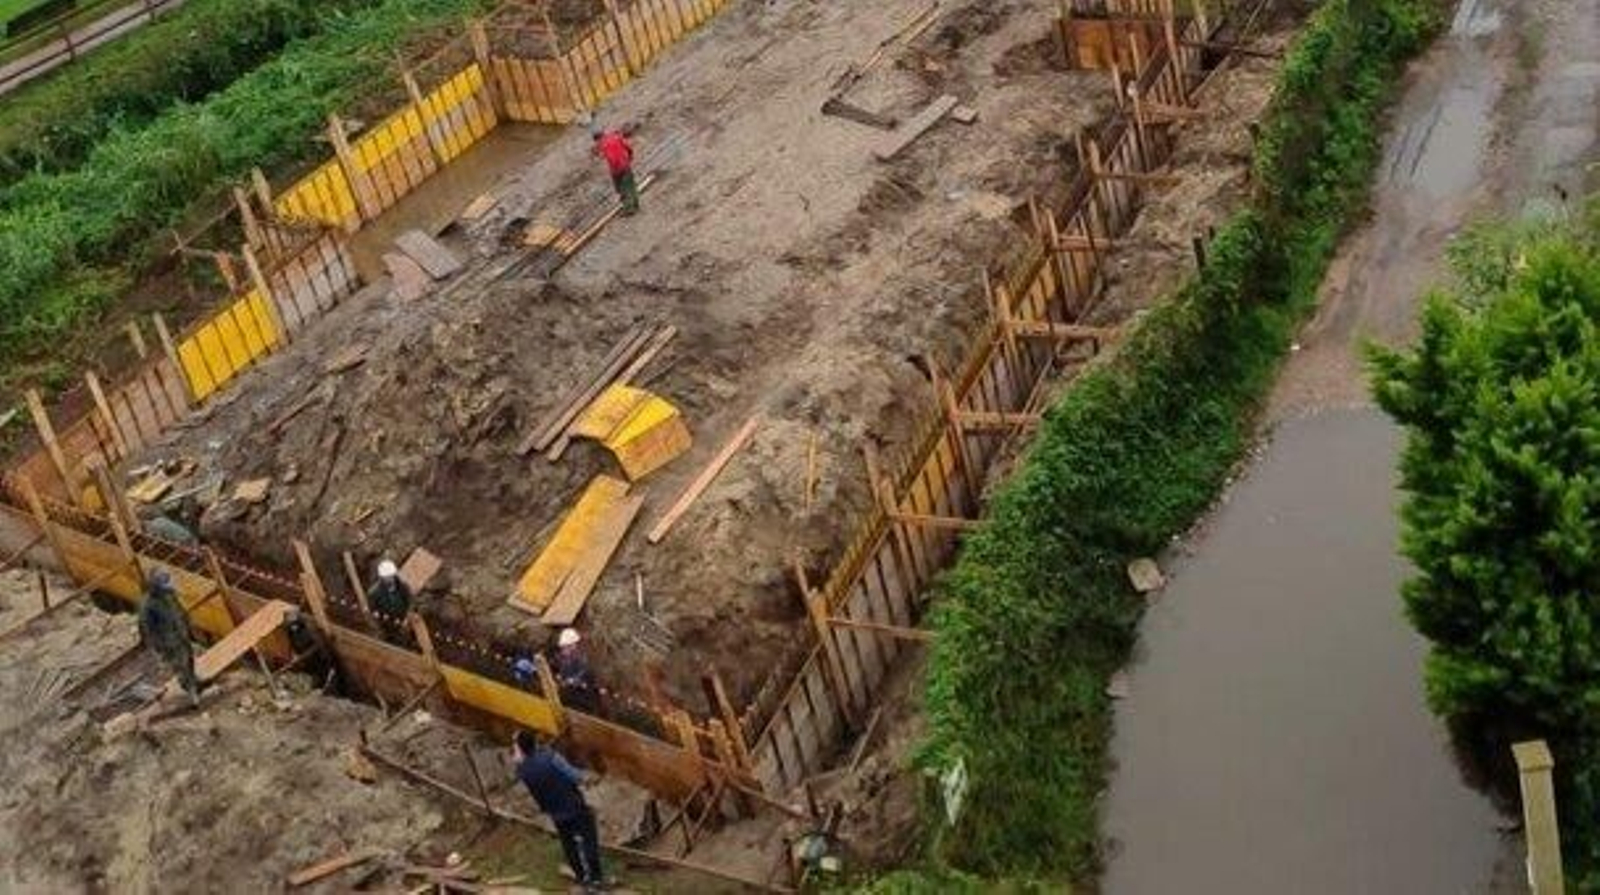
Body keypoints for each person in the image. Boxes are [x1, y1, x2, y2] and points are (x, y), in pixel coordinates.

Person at [512, 730, 606, 891]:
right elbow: (573, 776)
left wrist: (521, 754)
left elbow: (522, 761)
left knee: (569, 844)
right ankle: (596, 879)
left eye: (514, 746)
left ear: (520, 749)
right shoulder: (550, 757)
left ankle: (582, 878)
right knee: (588, 839)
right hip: (574, 805)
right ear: (535, 743)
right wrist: (589, 779)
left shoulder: (523, 771)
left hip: (555, 812)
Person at [138, 568, 200, 706]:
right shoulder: (148, 605)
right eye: (163, 586)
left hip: (180, 634)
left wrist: (187, 624)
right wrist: (157, 648)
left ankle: (193, 681)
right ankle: (191, 692)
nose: (166, 588)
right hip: (168, 642)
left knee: (189, 659)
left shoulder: (169, 593)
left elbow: (179, 609)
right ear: (154, 586)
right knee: (180, 665)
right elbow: (146, 629)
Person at [591, 122, 640, 216]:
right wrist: (630, 157)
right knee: (630, 186)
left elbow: (611, 158)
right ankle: (635, 205)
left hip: (617, 169)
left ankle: (628, 209)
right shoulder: (616, 136)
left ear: (596, 138)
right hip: (626, 165)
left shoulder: (603, 144)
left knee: (622, 188)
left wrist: (615, 170)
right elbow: (628, 147)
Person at [551, 627, 601, 714]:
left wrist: (572, 681)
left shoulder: (581, 659)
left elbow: (585, 673)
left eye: (565, 647)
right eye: (563, 648)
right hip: (571, 693)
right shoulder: (564, 659)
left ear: (572, 646)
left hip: (583, 695)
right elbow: (561, 671)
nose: (563, 650)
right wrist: (560, 678)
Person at [366, 559, 412, 641]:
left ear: (394, 575)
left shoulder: (403, 587)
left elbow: (410, 603)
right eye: (386, 577)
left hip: (401, 622)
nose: (389, 579)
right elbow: (372, 610)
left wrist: (407, 619)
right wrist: (379, 626)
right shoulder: (374, 592)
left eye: (390, 576)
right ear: (381, 577)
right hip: (384, 624)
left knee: (403, 641)